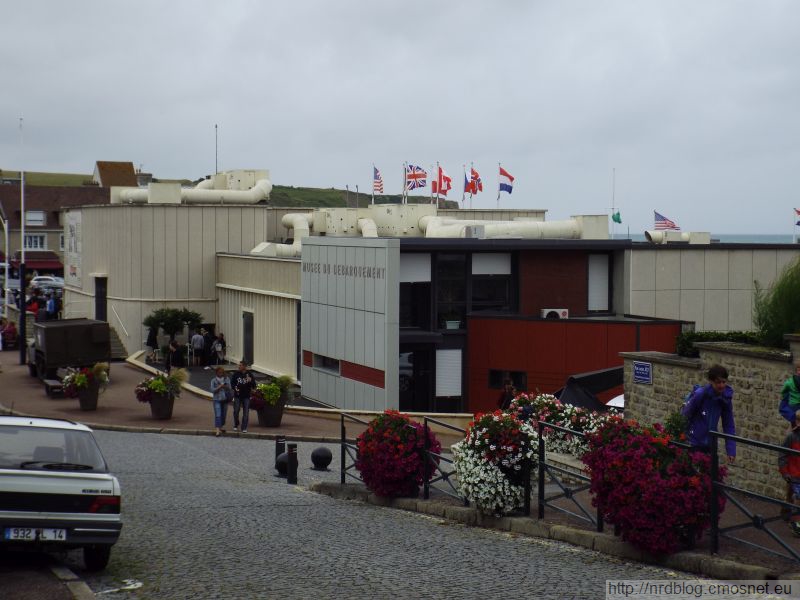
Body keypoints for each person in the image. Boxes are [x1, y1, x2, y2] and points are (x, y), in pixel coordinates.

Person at [681, 364, 736, 463]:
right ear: (711, 381)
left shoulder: (725, 398)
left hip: (711, 444)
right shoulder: (700, 395)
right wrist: (682, 437)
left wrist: (731, 450)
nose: (722, 385)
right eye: (718, 382)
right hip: (694, 442)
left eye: (724, 382)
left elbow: (728, 425)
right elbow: (685, 415)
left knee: (710, 476)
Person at [778, 409, 800, 536]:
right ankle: (796, 524)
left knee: (792, 496)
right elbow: (782, 455)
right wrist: (785, 472)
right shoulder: (791, 437)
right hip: (794, 474)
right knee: (797, 497)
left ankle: (787, 513)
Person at [231, 361, 256, 433]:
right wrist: (235, 389)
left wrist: (250, 381)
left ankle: (244, 427)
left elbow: (254, 385)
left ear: (245, 367)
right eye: (239, 365)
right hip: (237, 395)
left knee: (246, 412)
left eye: (240, 365)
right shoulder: (236, 374)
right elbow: (232, 383)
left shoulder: (249, 374)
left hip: (246, 396)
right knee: (236, 411)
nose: (239, 366)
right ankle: (236, 424)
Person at [210, 366, 232, 437]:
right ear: (216, 373)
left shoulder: (227, 379)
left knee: (223, 415)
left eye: (221, 372)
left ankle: (220, 427)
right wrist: (219, 387)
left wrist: (224, 386)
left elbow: (229, 388)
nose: (220, 373)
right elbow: (212, 390)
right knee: (218, 414)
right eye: (219, 372)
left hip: (225, 399)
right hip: (217, 399)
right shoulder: (213, 380)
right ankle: (217, 430)